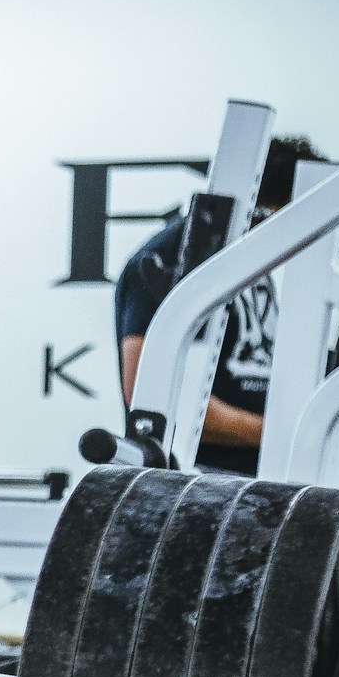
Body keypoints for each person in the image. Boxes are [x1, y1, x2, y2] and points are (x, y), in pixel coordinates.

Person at [114, 133, 319, 474]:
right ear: (269, 209)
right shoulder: (169, 261)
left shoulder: (252, 264)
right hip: (197, 480)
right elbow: (150, 401)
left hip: (262, 474)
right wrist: (283, 435)